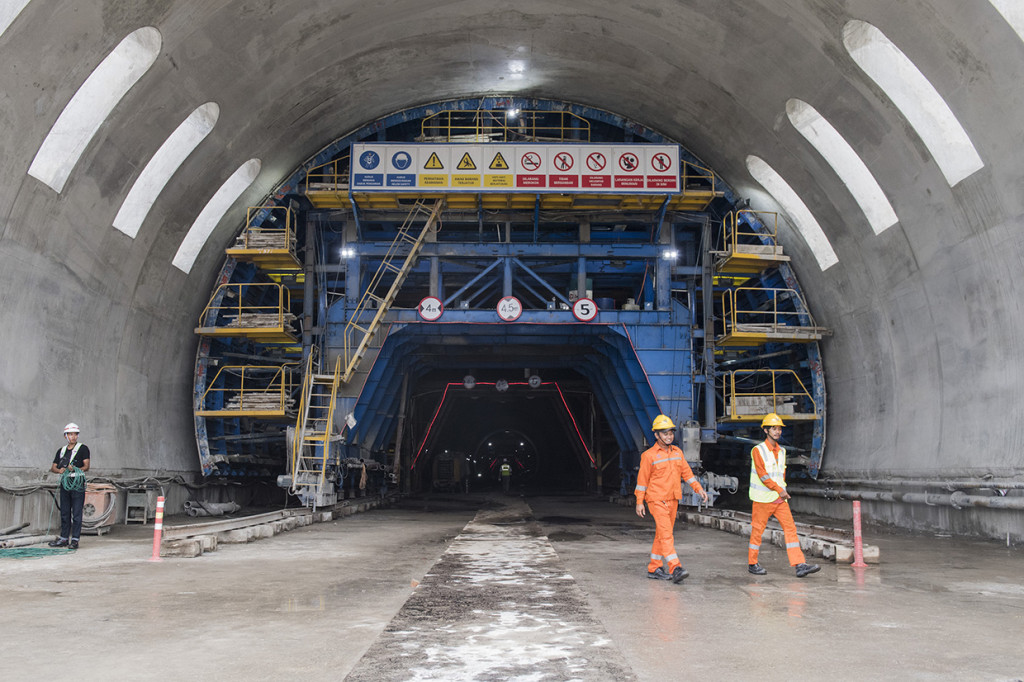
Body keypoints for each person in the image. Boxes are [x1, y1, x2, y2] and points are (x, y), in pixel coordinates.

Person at [634, 415, 708, 583]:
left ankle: (654, 567)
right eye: (665, 433)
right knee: (667, 535)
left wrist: (699, 489)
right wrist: (639, 501)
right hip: (656, 499)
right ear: (656, 435)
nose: (668, 436)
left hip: (673, 499)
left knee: (662, 534)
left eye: (670, 433)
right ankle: (676, 567)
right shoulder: (649, 456)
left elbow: (687, 474)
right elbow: (642, 482)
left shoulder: (677, 453)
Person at [747, 413, 819, 578]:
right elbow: (763, 475)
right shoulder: (758, 451)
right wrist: (779, 490)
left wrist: (781, 490)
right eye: (774, 428)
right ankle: (752, 563)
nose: (777, 431)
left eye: (779, 428)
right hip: (763, 499)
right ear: (766, 430)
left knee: (790, 529)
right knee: (757, 531)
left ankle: (799, 564)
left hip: (779, 499)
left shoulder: (782, 451)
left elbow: (780, 474)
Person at [48, 422, 90, 549]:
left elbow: (86, 467)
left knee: (76, 513)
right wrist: (59, 470)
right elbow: (53, 467)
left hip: (77, 483)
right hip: (65, 484)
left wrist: (74, 468)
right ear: (66, 436)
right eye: (70, 434)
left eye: (75, 434)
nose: (73, 437)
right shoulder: (61, 451)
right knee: (65, 512)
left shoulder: (83, 449)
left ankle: (75, 540)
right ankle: (64, 538)